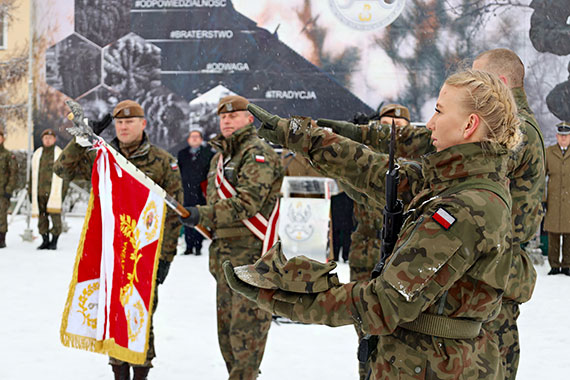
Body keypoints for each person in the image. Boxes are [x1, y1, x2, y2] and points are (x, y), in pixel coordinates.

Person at [223, 69, 520, 380]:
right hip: (422, 361)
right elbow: (378, 173)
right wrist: (304, 137)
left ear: (469, 124)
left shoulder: (464, 208)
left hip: (433, 367)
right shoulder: (456, 179)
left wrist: (282, 291)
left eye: (439, 111)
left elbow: (383, 302)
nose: (430, 123)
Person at [322, 48, 544, 380]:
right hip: (477, 260)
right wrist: (356, 135)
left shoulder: (512, 132)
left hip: (484, 270)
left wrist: (357, 138)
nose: (433, 123)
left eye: (477, 76)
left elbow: (429, 152)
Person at [54, 100, 182, 380]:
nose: (123, 127)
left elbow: (173, 216)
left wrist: (165, 259)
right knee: (112, 315)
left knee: (139, 318)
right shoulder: (104, 156)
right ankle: (119, 373)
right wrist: (82, 139)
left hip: (143, 255)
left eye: (130, 122)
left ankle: (140, 374)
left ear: (143, 124)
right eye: (119, 122)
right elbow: (62, 169)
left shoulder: (163, 161)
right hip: (110, 253)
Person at [179, 95, 284, 380]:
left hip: (251, 254)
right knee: (227, 335)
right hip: (224, 255)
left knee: (246, 335)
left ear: (249, 119)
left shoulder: (257, 153)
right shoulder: (219, 159)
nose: (226, 121)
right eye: (223, 117)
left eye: (233, 116)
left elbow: (247, 203)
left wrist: (201, 214)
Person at [177, 128, 214, 255]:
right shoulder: (182, 154)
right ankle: (188, 246)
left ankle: (198, 247)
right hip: (186, 192)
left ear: (201, 139)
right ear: (188, 140)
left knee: (199, 218)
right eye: (192, 136)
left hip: (201, 192)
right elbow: (179, 172)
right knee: (186, 218)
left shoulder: (208, 154)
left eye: (197, 136)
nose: (194, 138)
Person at [32, 129, 67, 250]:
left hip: (54, 193)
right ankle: (45, 240)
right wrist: (30, 192)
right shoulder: (37, 154)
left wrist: (63, 192)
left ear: (54, 139)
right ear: (42, 139)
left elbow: (64, 176)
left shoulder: (60, 154)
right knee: (42, 219)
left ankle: (54, 241)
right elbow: (32, 175)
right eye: (45, 138)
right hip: (39, 192)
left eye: (50, 138)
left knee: (56, 218)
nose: (47, 140)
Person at [544, 121, 570, 276]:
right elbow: (541, 177)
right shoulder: (549, 152)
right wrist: (542, 200)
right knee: (553, 233)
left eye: (566, 136)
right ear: (556, 136)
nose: (563, 138)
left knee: (569, 234)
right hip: (553, 200)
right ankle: (554, 265)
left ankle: (567, 265)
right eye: (561, 135)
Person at [0, 129, 18, 249]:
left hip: (2, 192)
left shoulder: (8, 155)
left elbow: (13, 174)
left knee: (1, 216)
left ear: (3, 139)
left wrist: (8, 190)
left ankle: (1, 239)